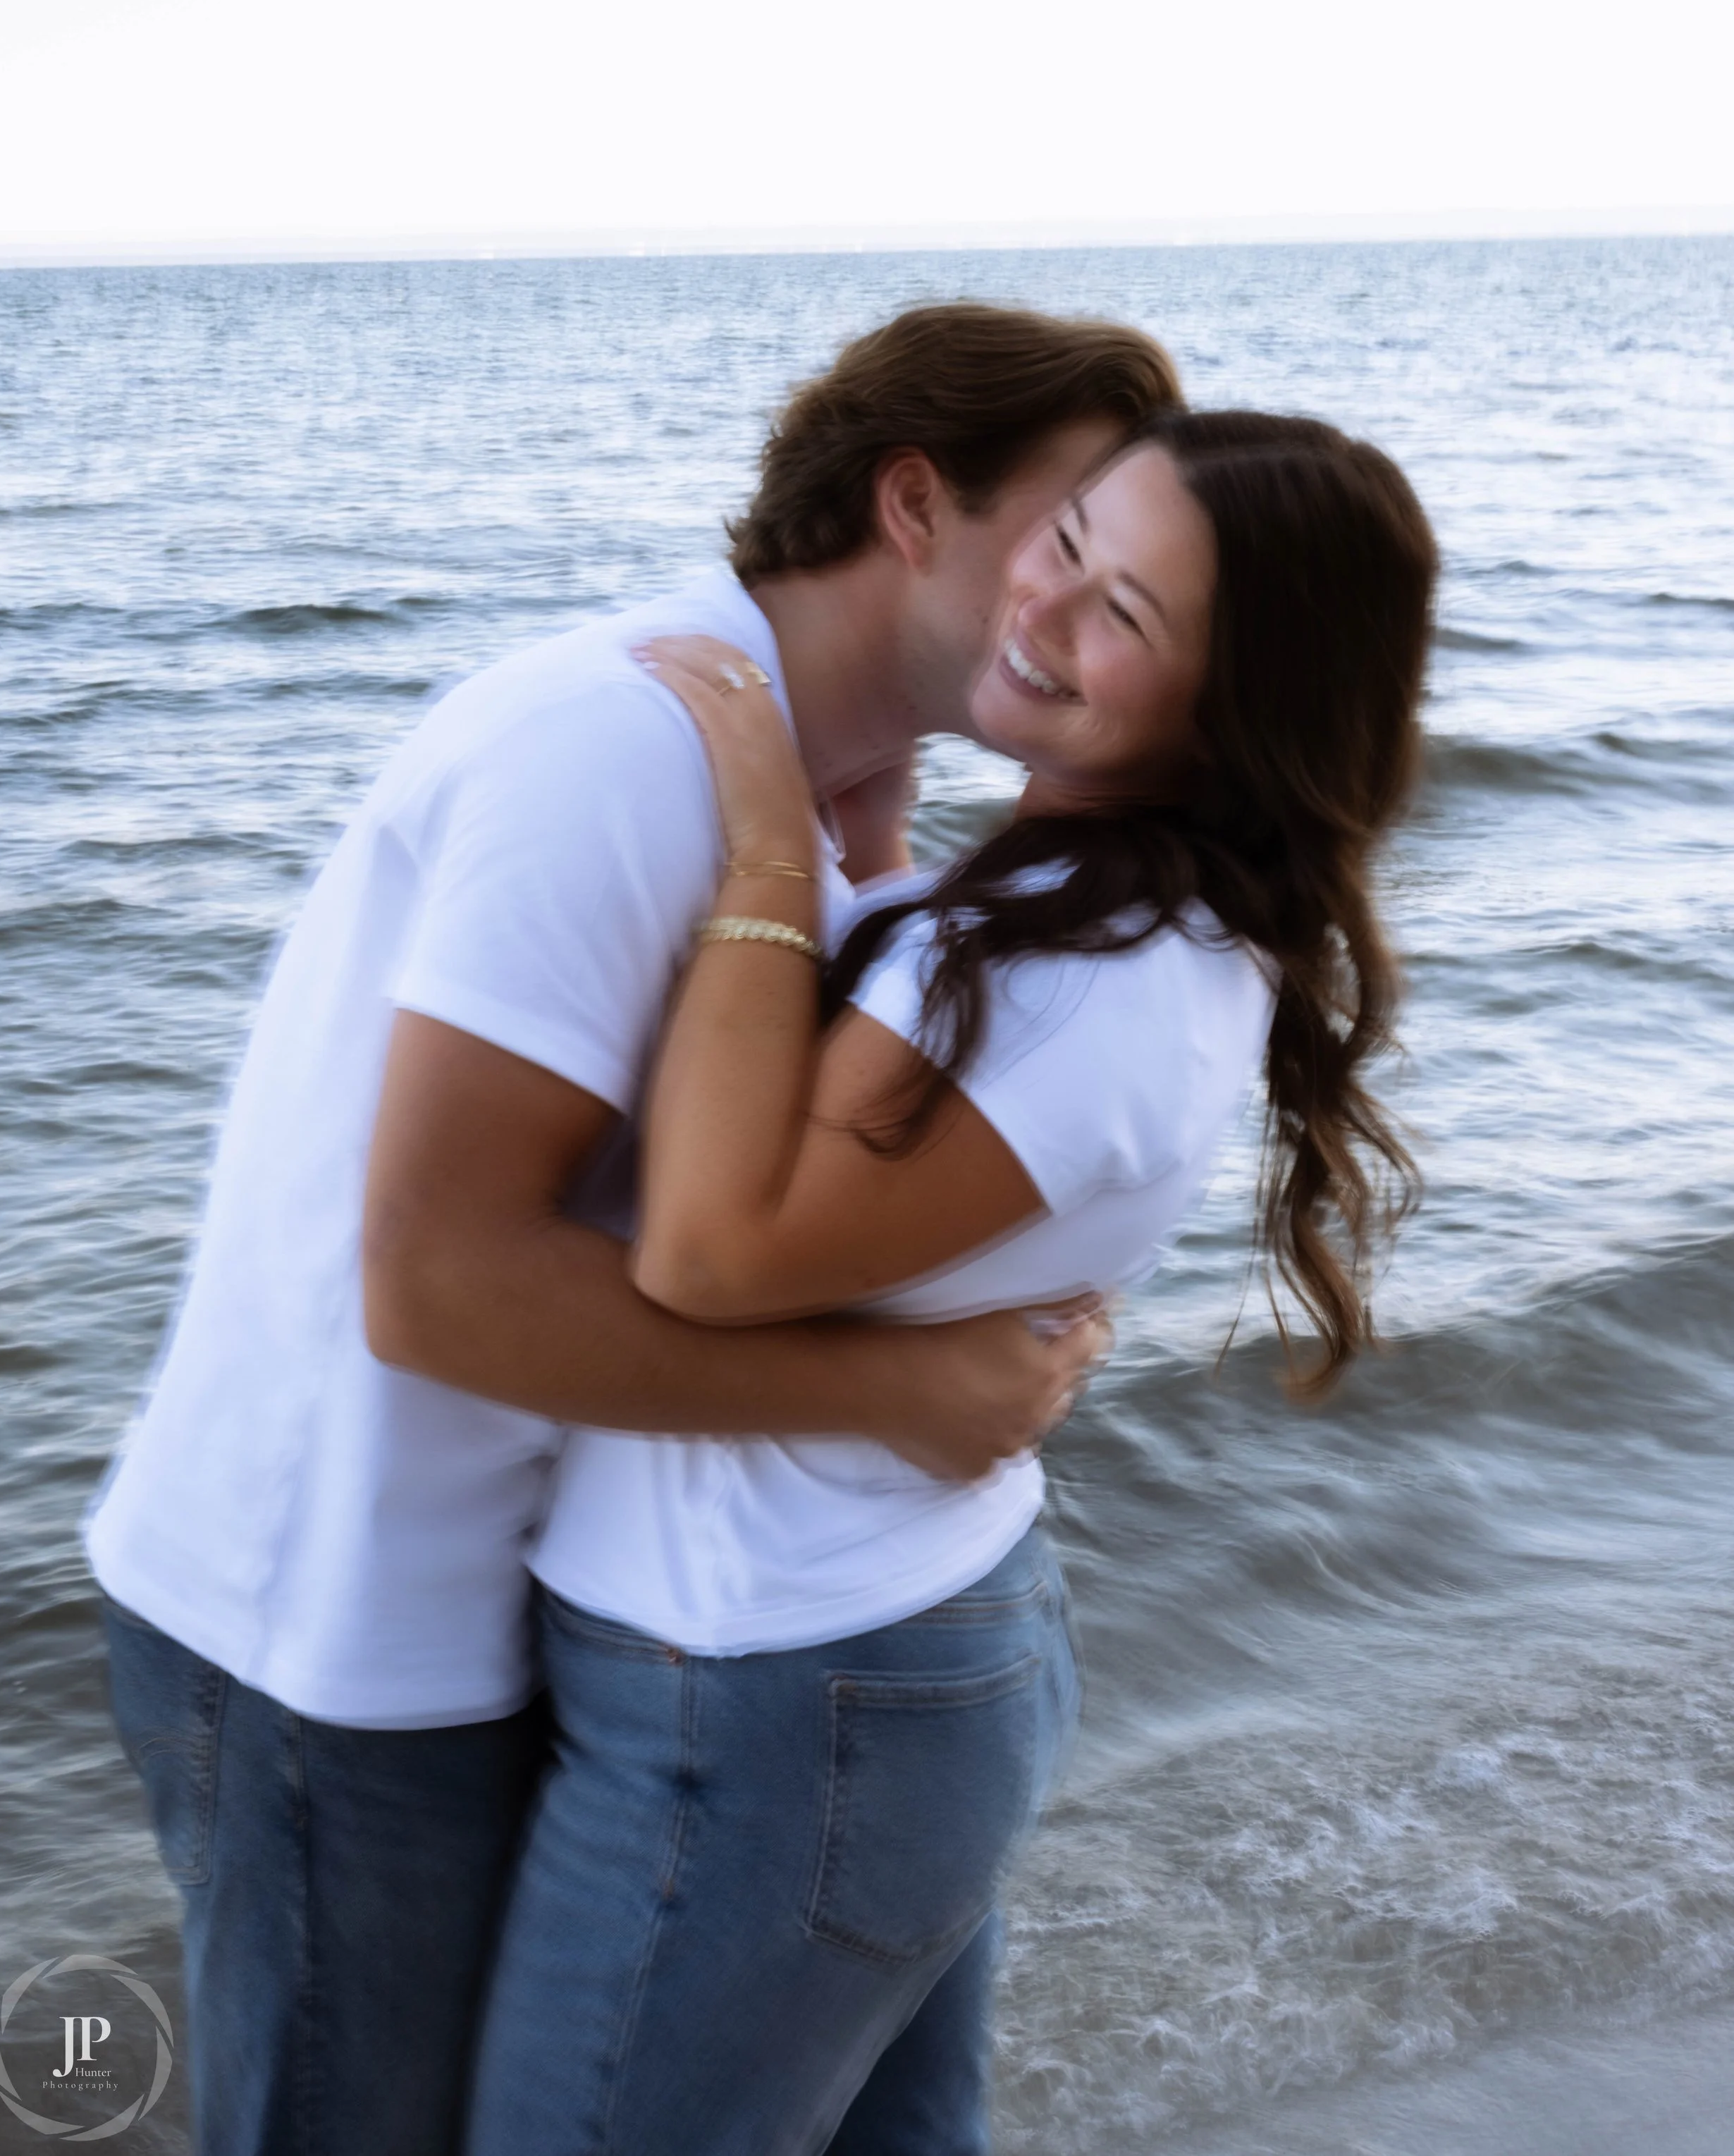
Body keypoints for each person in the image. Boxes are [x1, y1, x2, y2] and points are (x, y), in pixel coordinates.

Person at [85, 302, 1180, 2156]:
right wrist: (897, 1391)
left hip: (542, 1618)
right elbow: (440, 1284)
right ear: (916, 503)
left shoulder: (817, 798)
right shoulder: (618, 740)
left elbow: (774, 1172)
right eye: (1069, 533)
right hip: (336, 1633)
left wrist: (871, 872)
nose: (1098, 597)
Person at [462, 408, 1439, 2156]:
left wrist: (770, 849)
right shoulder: (1097, 905)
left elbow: (707, 1249)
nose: (1042, 614)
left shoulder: (1098, 971)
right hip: (866, 1667)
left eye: (1123, 617)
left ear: (1239, 711)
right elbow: (915, 1128)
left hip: (778, 1700)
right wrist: (870, 862)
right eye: (1067, 543)